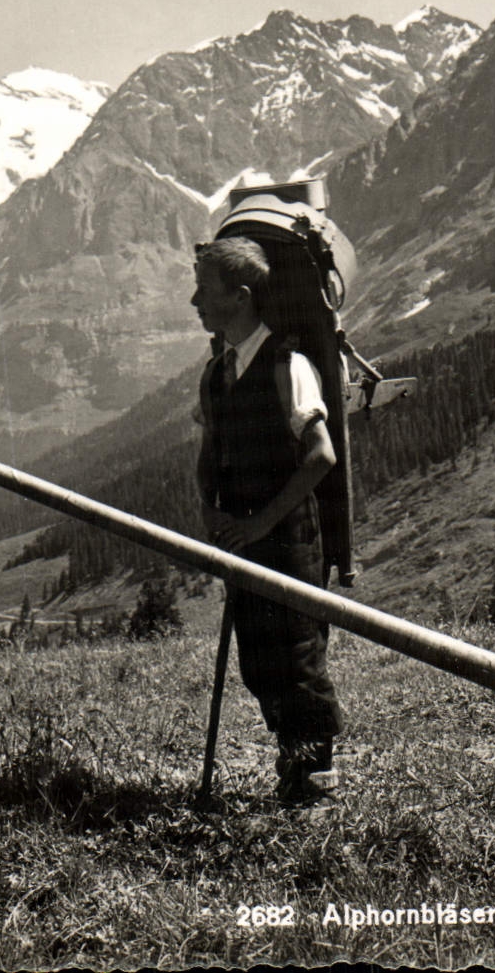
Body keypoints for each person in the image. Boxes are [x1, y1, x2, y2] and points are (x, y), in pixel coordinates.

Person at [192, 236, 344, 805]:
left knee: (299, 656)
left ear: (242, 297)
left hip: (288, 541)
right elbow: (209, 451)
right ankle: (294, 763)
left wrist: (258, 526)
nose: (194, 301)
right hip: (244, 543)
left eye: (205, 290)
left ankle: (317, 780)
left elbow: (320, 455)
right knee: (258, 660)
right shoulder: (216, 374)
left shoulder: (288, 364)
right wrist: (209, 508)